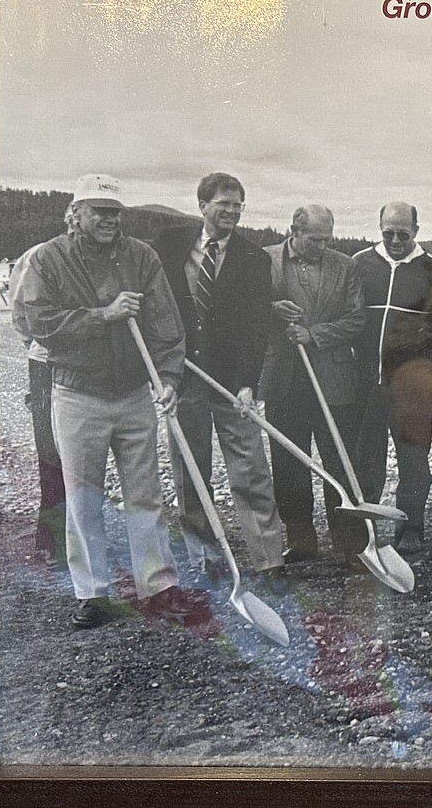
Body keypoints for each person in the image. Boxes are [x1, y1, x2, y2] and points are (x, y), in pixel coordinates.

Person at [12, 173, 200, 628]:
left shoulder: (142, 257)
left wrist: (170, 376)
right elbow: (34, 321)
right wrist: (102, 316)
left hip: (135, 393)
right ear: (75, 214)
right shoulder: (48, 259)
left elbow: (164, 323)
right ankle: (93, 593)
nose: (109, 220)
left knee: (146, 496)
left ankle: (158, 586)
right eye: (99, 211)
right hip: (78, 394)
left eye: (115, 212)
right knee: (83, 499)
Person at [152, 172, 286, 586]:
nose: (231, 211)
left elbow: (256, 325)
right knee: (190, 469)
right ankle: (206, 558)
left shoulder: (253, 258)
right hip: (182, 376)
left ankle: (268, 561)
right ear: (202, 205)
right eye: (224, 203)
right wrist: (165, 374)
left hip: (232, 384)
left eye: (238, 205)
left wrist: (249, 382)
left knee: (250, 470)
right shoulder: (169, 246)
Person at [259, 204, 368, 569]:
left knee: (339, 458)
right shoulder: (265, 261)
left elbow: (356, 319)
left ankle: (347, 540)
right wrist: (273, 308)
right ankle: (301, 539)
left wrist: (313, 334)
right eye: (315, 239)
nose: (322, 246)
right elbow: (248, 309)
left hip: (333, 379)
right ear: (294, 230)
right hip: (284, 379)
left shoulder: (346, 265)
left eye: (327, 239)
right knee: (289, 461)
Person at [351, 202, 432, 556]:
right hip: (365, 380)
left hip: (413, 381)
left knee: (413, 457)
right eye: (388, 233)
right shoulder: (360, 265)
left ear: (416, 230)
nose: (395, 240)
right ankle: (364, 530)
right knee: (366, 458)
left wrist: (415, 348)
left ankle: (411, 527)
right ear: (379, 228)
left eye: (403, 234)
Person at [9, 239, 68, 568]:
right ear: (74, 217)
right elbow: (21, 315)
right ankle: (53, 541)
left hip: (95, 369)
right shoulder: (38, 257)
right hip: (47, 363)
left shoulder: (109, 257)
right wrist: (39, 348)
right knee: (52, 453)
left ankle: (83, 541)